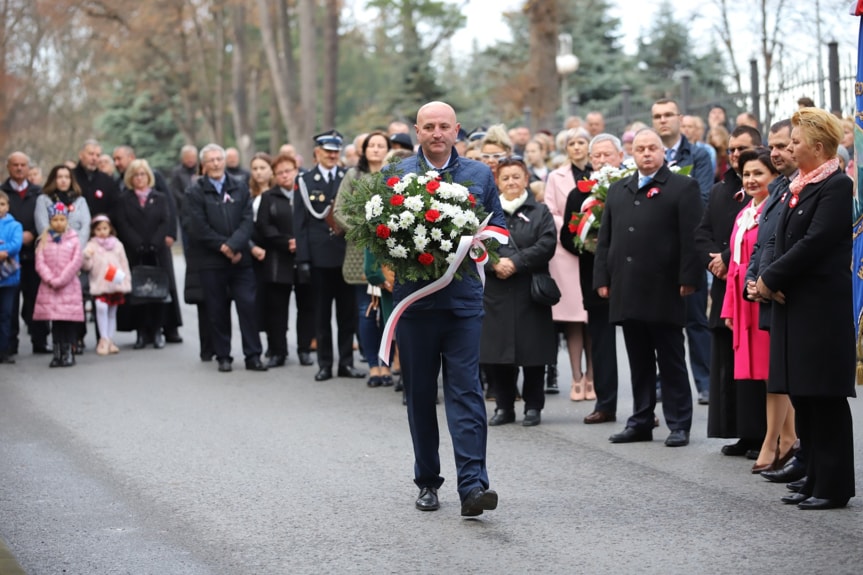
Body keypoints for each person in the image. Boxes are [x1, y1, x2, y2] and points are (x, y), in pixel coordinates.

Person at [393, 101, 505, 517]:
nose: (437, 133)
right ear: (417, 131)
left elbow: (498, 228)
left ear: (456, 130)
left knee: (466, 392)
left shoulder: (478, 174)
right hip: (416, 304)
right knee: (420, 394)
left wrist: (481, 243)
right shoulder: (398, 175)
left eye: (444, 126)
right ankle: (427, 481)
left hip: (462, 304)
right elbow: (377, 236)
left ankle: (473, 486)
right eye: (428, 127)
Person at [756, 108, 855, 509]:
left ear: (817, 146)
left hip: (820, 309)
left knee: (824, 396)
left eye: (795, 141)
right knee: (804, 394)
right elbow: (777, 239)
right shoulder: (796, 185)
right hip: (795, 303)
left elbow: (815, 242)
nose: (789, 147)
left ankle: (833, 485)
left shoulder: (835, 185)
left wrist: (773, 278)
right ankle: (813, 474)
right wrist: (769, 277)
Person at [595, 128, 703, 447]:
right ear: (632, 154)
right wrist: (602, 278)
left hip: (665, 288)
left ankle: (679, 423)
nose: (645, 153)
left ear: (662, 152)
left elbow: (691, 238)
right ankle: (640, 420)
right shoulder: (618, 190)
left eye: (652, 148)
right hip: (627, 287)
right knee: (639, 360)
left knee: (670, 359)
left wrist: (689, 278)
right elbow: (605, 240)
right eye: (640, 148)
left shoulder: (683, 187)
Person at [720, 147, 797, 474]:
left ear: (774, 177)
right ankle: (787, 435)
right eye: (747, 174)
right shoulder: (743, 214)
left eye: (758, 174)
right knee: (764, 375)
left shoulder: (774, 210)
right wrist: (728, 308)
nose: (751, 180)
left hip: (762, 299)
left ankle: (776, 439)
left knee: (774, 375)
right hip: (743, 301)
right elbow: (735, 266)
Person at [695, 125, 764, 452]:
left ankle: (761, 433)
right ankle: (738, 430)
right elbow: (703, 231)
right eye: (733, 150)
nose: (735, 155)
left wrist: (725, 257)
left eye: (743, 149)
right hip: (724, 287)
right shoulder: (723, 190)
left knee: (755, 363)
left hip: (749, 287)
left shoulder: (764, 189)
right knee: (729, 364)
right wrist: (715, 261)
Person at [747, 120, 806, 485]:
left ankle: (791, 445)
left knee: (797, 382)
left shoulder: (814, 187)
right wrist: (756, 279)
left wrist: (770, 280)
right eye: (773, 146)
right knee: (782, 376)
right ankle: (791, 447)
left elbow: (805, 244)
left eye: (784, 145)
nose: (776, 152)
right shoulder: (779, 188)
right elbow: (765, 241)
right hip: (770, 290)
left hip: (793, 294)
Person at [482, 157, 556, 427]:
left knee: (534, 352)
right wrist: (494, 263)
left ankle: (533, 406)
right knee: (497, 352)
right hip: (496, 291)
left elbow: (547, 243)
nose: (511, 182)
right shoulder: (487, 213)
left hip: (529, 290)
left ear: (526, 179)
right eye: (505, 178)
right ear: (497, 182)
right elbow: (477, 246)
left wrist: (516, 262)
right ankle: (504, 406)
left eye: (516, 177)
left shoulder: (540, 212)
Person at [560, 133, 624, 424]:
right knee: (600, 342)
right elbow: (567, 236)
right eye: (595, 156)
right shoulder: (580, 192)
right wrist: (588, 243)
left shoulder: (631, 187)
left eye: (606, 155)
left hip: (631, 278)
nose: (600, 160)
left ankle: (645, 407)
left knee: (640, 344)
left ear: (620, 157)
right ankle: (605, 403)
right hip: (596, 279)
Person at [185, 144, 267, 373]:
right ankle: (223, 355)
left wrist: (234, 245)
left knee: (248, 307)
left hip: (241, 260)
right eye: (210, 160)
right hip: (212, 261)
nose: (215, 163)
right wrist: (223, 247)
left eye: (219, 159)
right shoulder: (195, 191)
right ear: (204, 164)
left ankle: (253, 355)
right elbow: (198, 226)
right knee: (217, 309)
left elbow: (247, 219)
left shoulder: (240, 186)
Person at [652, 98, 712, 405]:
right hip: (657, 251)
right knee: (662, 320)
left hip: (689, 248)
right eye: (657, 116)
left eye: (668, 115)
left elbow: (700, 198)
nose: (663, 120)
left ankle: (705, 381)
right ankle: (664, 382)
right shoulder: (649, 157)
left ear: (680, 118)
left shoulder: (699, 155)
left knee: (696, 318)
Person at [294, 130, 364, 382]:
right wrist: (302, 259)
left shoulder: (349, 177)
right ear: (317, 153)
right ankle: (324, 363)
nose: (333, 155)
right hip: (318, 258)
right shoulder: (305, 180)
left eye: (336, 151)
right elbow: (299, 224)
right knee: (321, 315)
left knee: (348, 314)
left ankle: (346, 362)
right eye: (328, 151)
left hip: (346, 256)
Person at [334, 131, 393, 387]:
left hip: (391, 251)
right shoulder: (353, 176)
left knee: (389, 311)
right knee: (367, 310)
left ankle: (388, 363)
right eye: (372, 145)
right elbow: (339, 211)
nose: (377, 150)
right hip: (360, 250)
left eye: (382, 146)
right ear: (364, 150)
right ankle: (373, 366)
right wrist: (363, 230)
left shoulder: (395, 175)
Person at [544, 127, 592, 401]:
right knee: (574, 319)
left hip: (594, 252)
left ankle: (592, 376)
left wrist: (592, 231)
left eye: (581, 142)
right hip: (566, 252)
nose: (577, 147)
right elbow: (550, 210)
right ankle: (576, 376)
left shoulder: (599, 174)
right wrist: (574, 230)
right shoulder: (555, 177)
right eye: (571, 143)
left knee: (593, 321)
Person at [254, 153, 310, 368]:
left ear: (296, 171)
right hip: (278, 259)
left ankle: (304, 349)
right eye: (280, 173)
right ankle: (278, 350)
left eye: (289, 171)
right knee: (277, 309)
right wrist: (286, 242)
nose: (285, 175)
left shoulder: (305, 193)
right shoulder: (269, 197)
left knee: (307, 306)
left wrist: (301, 243)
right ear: (274, 176)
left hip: (304, 258)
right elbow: (263, 226)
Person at [115, 159, 173, 350]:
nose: (139, 178)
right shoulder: (124, 199)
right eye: (136, 175)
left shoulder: (160, 197)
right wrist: (137, 244)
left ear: (148, 176)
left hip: (157, 253)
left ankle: (157, 331)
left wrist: (155, 243)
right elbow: (122, 223)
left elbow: (165, 221)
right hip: (134, 252)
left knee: (158, 293)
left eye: (143, 174)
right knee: (138, 294)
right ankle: (141, 332)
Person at [3, 152, 50, 355]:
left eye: (23, 165)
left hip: (33, 255)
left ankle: (40, 341)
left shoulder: (38, 193)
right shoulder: (2, 193)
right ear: (8, 167)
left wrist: (32, 232)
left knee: (36, 299)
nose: (20, 168)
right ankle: (9, 344)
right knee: (9, 305)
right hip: (8, 260)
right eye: (15, 165)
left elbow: (45, 219)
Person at [33, 203, 84, 368]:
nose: (59, 223)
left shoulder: (73, 239)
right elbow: (40, 262)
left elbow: (76, 261)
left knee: (67, 322)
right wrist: (50, 279)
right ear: (50, 221)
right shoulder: (43, 240)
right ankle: (57, 353)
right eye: (55, 220)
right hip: (50, 288)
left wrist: (61, 279)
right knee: (55, 323)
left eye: (62, 219)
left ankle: (68, 352)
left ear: (67, 220)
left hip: (68, 287)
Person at [81, 215, 131, 355]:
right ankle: (103, 338)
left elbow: (124, 263)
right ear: (93, 231)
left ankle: (110, 339)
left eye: (105, 228)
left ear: (110, 229)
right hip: (99, 283)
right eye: (98, 229)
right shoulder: (91, 245)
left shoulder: (117, 244)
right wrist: (86, 256)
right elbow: (87, 266)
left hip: (115, 282)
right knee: (101, 307)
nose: (102, 232)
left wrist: (126, 279)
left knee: (112, 312)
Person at [0, 191, 22, 363]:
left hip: (8, 277)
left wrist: (3, 250)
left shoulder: (15, 225)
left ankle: (4, 349)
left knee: (6, 314)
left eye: (2, 204)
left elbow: (16, 244)